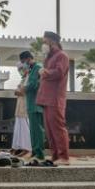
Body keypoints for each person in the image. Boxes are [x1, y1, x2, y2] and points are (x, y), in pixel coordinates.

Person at [37, 31, 71, 165]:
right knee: (50, 130)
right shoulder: (48, 58)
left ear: (53, 42)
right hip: (46, 98)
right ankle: (55, 156)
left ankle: (64, 157)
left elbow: (59, 73)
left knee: (57, 128)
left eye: (45, 42)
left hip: (55, 98)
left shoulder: (61, 56)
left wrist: (45, 72)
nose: (43, 44)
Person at [19, 50, 46, 162]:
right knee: (33, 130)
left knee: (38, 130)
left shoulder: (37, 67)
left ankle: (39, 153)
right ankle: (35, 151)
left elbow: (34, 84)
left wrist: (24, 88)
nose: (23, 64)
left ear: (28, 59)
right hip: (31, 102)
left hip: (36, 103)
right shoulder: (30, 70)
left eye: (23, 61)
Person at [10, 62, 32, 157]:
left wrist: (18, 91)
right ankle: (16, 147)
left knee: (25, 128)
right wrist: (18, 90)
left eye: (22, 69)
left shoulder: (30, 78)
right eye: (19, 70)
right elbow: (17, 91)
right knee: (18, 128)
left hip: (25, 107)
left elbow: (22, 92)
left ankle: (27, 148)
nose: (21, 71)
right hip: (20, 107)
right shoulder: (23, 79)